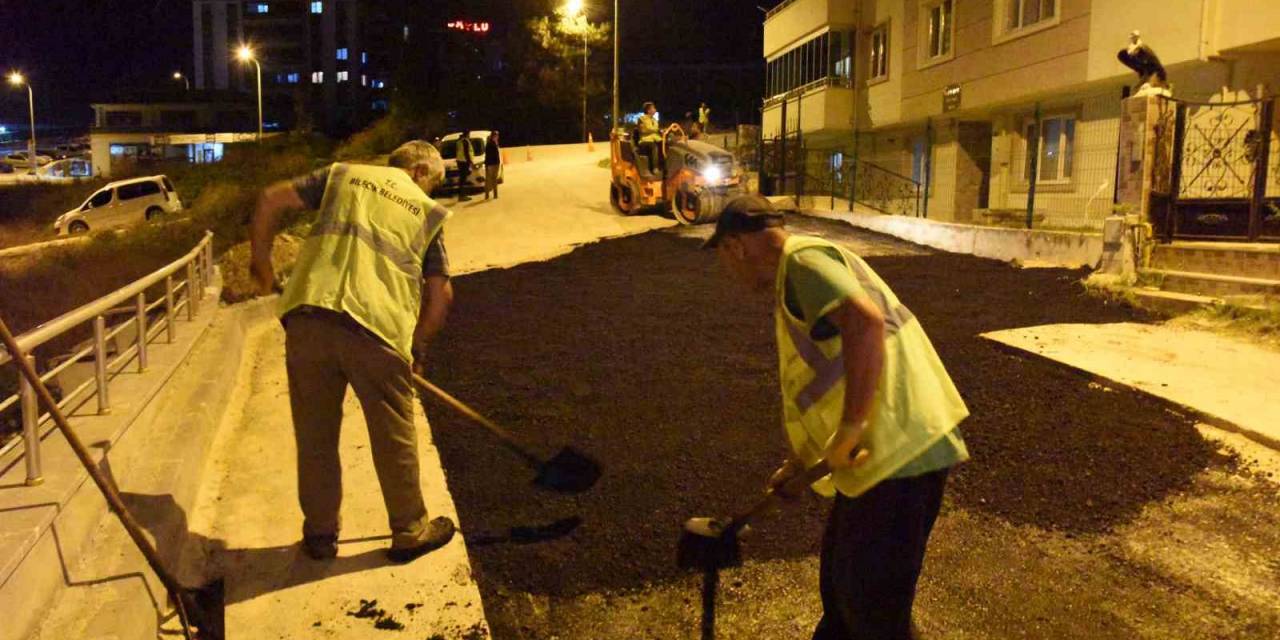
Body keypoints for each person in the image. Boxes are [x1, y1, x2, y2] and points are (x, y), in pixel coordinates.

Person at [703, 195, 970, 640]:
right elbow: (828, 378)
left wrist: (850, 431)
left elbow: (865, 324)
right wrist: (800, 465)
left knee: (872, 610)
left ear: (736, 247)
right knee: (845, 593)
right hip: (879, 457)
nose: (728, 272)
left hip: (901, 450)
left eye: (724, 258)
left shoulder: (802, 262)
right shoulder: (800, 275)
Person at [249, 141, 458, 564]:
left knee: (315, 437)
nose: (429, 192)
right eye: (431, 183)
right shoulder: (424, 210)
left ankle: (321, 536)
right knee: (393, 434)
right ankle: (409, 530)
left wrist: (262, 262)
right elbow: (442, 296)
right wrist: (417, 346)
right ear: (419, 172)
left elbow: (270, 198)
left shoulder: (341, 175)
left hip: (308, 318)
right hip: (376, 329)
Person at [637, 101, 663, 174]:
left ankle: (665, 166)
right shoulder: (641, 119)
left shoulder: (654, 120)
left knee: (666, 144)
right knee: (654, 147)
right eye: (653, 108)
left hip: (655, 139)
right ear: (648, 110)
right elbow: (643, 130)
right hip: (645, 140)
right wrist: (655, 130)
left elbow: (656, 129)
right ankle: (655, 168)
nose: (655, 109)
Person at [455, 129, 474, 202]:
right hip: (464, 162)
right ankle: (462, 196)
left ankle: (462, 195)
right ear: (467, 134)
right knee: (463, 179)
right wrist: (470, 162)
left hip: (460, 161)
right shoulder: (465, 141)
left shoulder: (459, 141)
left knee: (462, 179)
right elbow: (466, 152)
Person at [484, 130, 502, 200]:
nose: (498, 137)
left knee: (489, 180)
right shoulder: (491, 144)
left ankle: (488, 195)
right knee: (493, 179)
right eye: (497, 135)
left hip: (491, 163)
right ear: (494, 136)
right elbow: (491, 154)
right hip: (493, 164)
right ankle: (494, 195)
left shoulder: (490, 143)